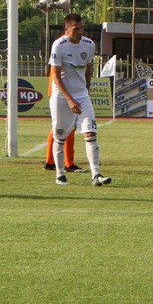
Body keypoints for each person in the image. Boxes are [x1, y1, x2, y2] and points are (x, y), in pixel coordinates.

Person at [49, 13, 111, 186]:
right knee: (60, 136)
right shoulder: (59, 46)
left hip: (82, 96)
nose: (80, 32)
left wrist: (85, 92)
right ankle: (60, 174)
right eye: (76, 29)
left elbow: (89, 69)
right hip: (62, 97)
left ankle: (96, 174)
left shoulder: (89, 44)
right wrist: (69, 99)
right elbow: (55, 76)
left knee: (91, 133)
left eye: (82, 28)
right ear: (67, 29)